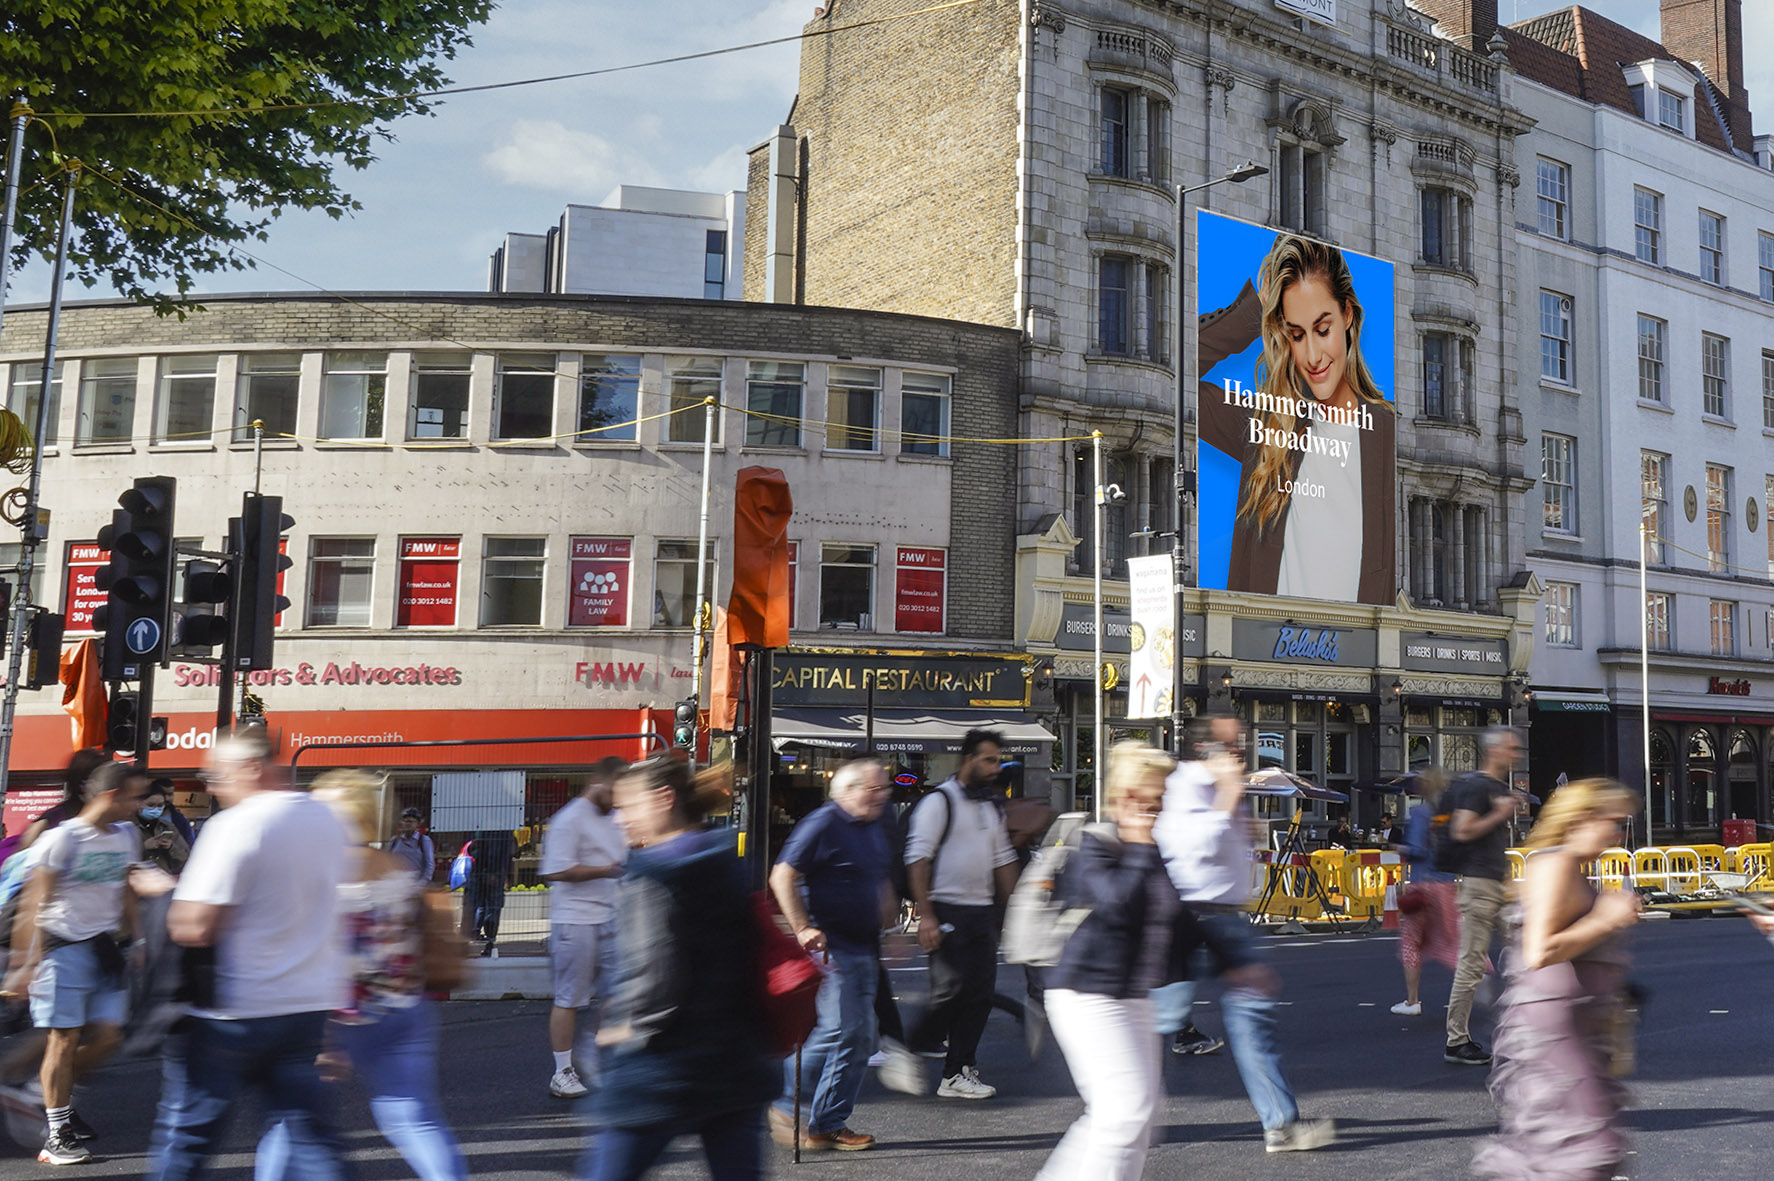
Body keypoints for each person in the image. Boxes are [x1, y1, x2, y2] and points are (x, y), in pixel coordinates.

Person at [146, 727, 354, 1181]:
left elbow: (195, 926)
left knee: (188, 1140)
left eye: (216, 775)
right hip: (305, 1006)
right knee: (313, 1140)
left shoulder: (235, 825)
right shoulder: (328, 821)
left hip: (233, 1012)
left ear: (252, 769)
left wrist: (166, 893)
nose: (210, 786)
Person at [256, 770, 468, 1181]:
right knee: (415, 1120)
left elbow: (336, 958)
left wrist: (326, 1037)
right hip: (406, 1012)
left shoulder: (326, 872)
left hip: (341, 1017)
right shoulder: (395, 867)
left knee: (291, 1121)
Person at [588, 756, 777, 1180]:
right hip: (736, 1059)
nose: (619, 820)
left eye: (627, 807)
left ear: (663, 800)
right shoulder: (725, 860)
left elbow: (653, 972)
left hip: (661, 1070)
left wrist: (625, 1026)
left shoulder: (653, 875)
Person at [1152, 715, 1335, 1154]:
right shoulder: (1186, 786)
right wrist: (1229, 798)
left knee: (1253, 1016)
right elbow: (1189, 851)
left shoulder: (1221, 788)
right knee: (1153, 1018)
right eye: (1230, 746)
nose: (1240, 753)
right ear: (1203, 751)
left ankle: (1281, 1126)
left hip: (1225, 917)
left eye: (1240, 745)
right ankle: (1117, 1113)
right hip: (1188, 915)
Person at [1196, 233, 1397, 605]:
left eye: (1323, 330)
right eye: (1296, 334)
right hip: (1266, 654)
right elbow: (1174, 378)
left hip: (1355, 657)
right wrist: (1255, 310)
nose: (1313, 355)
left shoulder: (1386, 433)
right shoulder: (1267, 429)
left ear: (1348, 316)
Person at [1472, 779, 1641, 1180]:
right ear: (1583, 818)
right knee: (1583, 1149)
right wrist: (1605, 919)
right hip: (1555, 1030)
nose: (1618, 833)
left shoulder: (1575, 867)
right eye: (1613, 821)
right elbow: (1539, 951)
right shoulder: (1556, 862)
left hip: (1577, 1028)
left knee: (1574, 1148)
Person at [1036, 742, 1178, 1180]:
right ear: (1124, 798)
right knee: (1124, 1110)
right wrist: (1137, 843)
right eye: (1150, 801)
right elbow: (1117, 903)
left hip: (1130, 993)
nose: (1157, 811)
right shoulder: (1094, 845)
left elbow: (1175, 916)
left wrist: (1237, 963)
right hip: (1085, 991)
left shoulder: (1149, 849)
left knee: (1135, 1114)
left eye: (1161, 802)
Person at [1, 762, 146, 1165]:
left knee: (108, 1038)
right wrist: (24, 964)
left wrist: (138, 940)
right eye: (135, 797)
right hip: (60, 949)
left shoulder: (126, 836)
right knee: (62, 1040)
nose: (140, 806)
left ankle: (33, 1094)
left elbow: (125, 891)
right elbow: (33, 905)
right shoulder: (61, 840)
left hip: (103, 949)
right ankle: (57, 1136)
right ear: (111, 796)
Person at [766, 758, 893, 1152]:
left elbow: (877, 877)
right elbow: (782, 875)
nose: (881, 797)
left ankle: (828, 1123)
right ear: (847, 790)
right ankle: (783, 1103)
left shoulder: (871, 827)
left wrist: (890, 923)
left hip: (864, 944)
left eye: (883, 789)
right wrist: (803, 927)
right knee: (838, 1030)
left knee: (859, 1037)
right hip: (832, 946)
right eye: (874, 789)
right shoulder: (823, 823)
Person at [897, 730, 1020, 1100]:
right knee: (951, 989)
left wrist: (1020, 908)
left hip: (981, 911)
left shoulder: (989, 806)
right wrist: (927, 915)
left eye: (998, 760)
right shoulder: (939, 802)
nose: (996, 767)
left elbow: (1002, 861)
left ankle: (957, 1072)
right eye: (989, 760)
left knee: (979, 995)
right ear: (968, 760)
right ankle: (909, 1048)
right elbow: (917, 858)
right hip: (947, 907)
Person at [540, 756, 628, 1100]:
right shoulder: (569, 819)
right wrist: (606, 869)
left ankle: (601, 1061)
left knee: (614, 996)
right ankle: (561, 1071)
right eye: (614, 792)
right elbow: (555, 870)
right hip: (574, 920)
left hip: (610, 915)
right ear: (599, 785)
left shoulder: (615, 817)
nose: (618, 800)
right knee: (569, 998)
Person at [1443, 726, 1528, 1066]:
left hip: (1497, 884)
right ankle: (1456, 1040)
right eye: (1512, 749)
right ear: (1494, 751)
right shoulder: (1478, 787)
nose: (1516, 755)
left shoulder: (1495, 787)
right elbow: (1461, 830)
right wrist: (1499, 813)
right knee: (1472, 964)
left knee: (1529, 954)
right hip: (1479, 887)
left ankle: (1531, 1029)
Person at [1391, 770, 1463, 1017]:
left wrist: (1400, 847)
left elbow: (1418, 850)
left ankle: (1413, 1001)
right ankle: (1478, 976)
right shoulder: (1450, 816)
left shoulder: (1420, 813)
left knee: (1411, 941)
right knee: (1452, 939)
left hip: (1423, 885)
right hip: (1447, 883)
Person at [466, 827, 516, 957]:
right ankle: (486, 940)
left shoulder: (500, 830)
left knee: (488, 908)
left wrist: (496, 872)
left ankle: (489, 941)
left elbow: (505, 854)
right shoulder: (486, 828)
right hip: (484, 872)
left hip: (488, 872)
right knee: (485, 907)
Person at [135, 782, 192, 878]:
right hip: (137, 884)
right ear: (138, 804)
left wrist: (171, 847)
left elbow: (185, 858)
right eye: (151, 805)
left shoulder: (168, 827)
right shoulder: (128, 826)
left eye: (160, 805)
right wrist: (143, 847)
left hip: (163, 883)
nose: (156, 809)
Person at [388, 808, 436, 882]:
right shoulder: (394, 841)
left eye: (411, 821)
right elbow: (387, 861)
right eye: (405, 821)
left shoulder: (424, 841)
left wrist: (422, 884)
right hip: (396, 885)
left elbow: (429, 865)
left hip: (415, 884)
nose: (407, 824)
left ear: (417, 824)